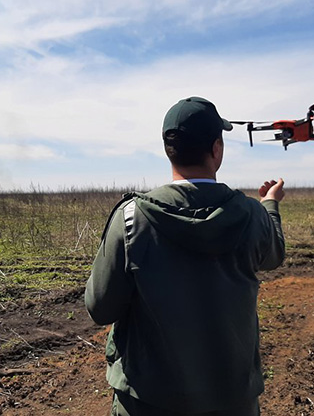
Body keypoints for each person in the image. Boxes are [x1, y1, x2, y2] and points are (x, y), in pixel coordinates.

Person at [85, 96, 285, 416]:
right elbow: (273, 255)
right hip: (231, 400)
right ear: (216, 148)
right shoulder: (251, 215)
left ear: (169, 150)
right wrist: (270, 204)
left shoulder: (131, 217)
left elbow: (100, 306)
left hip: (147, 401)